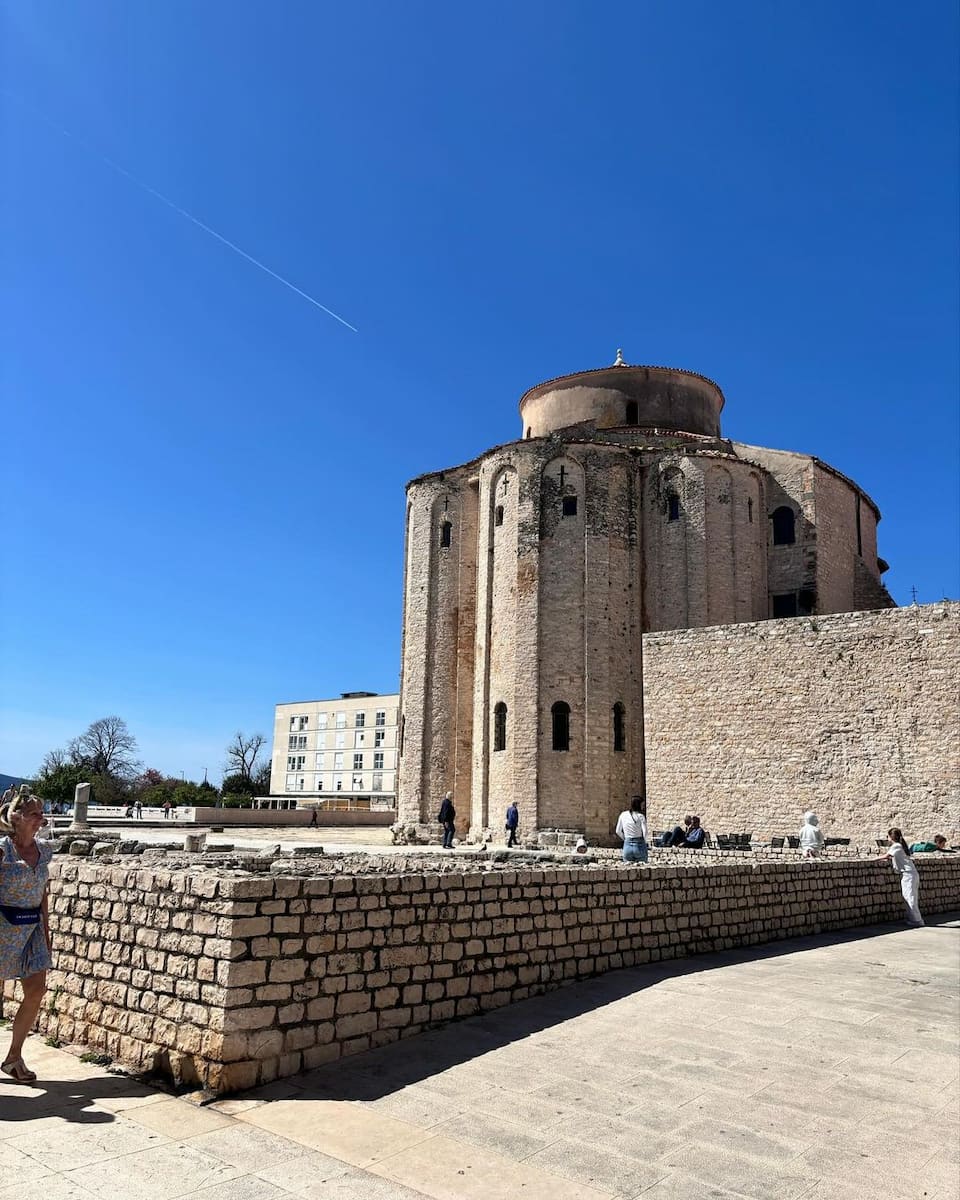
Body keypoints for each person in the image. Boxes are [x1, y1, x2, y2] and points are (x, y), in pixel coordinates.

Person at [0, 786, 54, 1083]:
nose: (40, 819)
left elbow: (43, 892)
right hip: (3, 927)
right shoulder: (2, 850)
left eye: (41, 813)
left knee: (36, 991)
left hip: (32, 928)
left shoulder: (44, 850)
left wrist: (46, 931)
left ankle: (14, 1057)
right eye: (34, 813)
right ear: (16, 817)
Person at [881, 827, 924, 927]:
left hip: (908, 875)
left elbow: (886, 855)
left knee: (910, 897)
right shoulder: (900, 846)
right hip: (910, 874)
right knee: (909, 896)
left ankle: (917, 920)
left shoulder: (896, 845)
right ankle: (913, 919)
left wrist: (874, 859)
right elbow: (894, 857)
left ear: (891, 837)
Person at [615, 795, 648, 863]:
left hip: (627, 846)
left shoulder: (623, 814)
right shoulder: (641, 816)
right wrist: (644, 843)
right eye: (642, 805)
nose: (643, 807)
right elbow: (645, 832)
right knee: (642, 867)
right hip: (639, 845)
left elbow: (618, 831)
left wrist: (625, 839)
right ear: (638, 805)